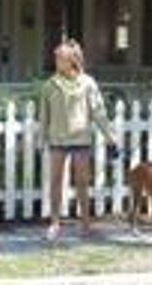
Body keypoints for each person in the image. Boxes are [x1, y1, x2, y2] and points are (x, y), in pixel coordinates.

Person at [38, 39, 118, 241]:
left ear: (72, 60)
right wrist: (41, 140)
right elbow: (43, 116)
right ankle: (54, 223)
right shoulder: (49, 85)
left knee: (82, 183)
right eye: (56, 58)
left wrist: (110, 137)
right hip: (57, 140)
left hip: (81, 140)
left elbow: (98, 112)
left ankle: (85, 224)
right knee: (56, 182)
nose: (56, 61)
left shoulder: (88, 83)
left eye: (60, 58)